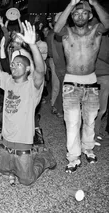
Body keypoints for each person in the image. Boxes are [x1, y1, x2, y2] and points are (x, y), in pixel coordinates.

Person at [0, 20, 57, 186]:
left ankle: (44, 156)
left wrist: (32, 45)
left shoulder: (33, 85)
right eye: (13, 64)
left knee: (27, 179)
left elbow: (41, 70)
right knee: (3, 169)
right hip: (7, 140)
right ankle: (22, 160)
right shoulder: (7, 80)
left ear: (27, 69)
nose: (14, 66)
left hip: (23, 141)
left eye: (19, 64)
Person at [54, 0, 109, 173]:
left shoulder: (96, 31)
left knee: (90, 121)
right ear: (71, 16)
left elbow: (108, 22)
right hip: (71, 84)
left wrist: (93, 2)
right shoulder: (65, 32)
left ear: (90, 15)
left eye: (84, 13)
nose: (80, 16)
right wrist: (71, 4)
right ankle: (73, 157)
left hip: (91, 83)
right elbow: (56, 28)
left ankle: (88, 148)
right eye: (76, 14)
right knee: (71, 123)